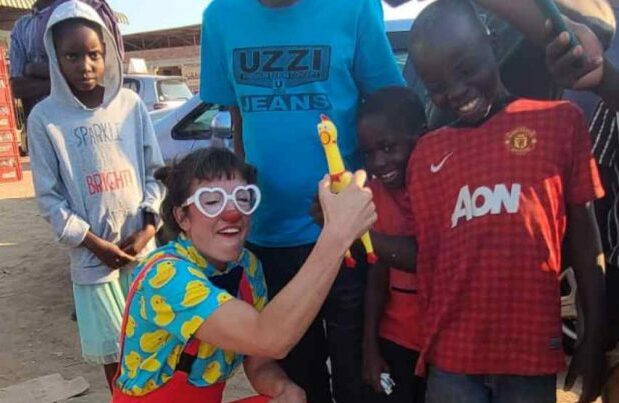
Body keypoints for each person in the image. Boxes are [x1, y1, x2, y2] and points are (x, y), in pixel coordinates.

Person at [199, 0, 404, 401]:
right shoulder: (220, 17)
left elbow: (390, 110)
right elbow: (238, 116)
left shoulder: (355, 8)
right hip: (268, 239)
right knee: (298, 373)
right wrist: (238, 208)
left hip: (348, 237)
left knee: (357, 374)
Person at [406, 1, 607, 402]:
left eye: (465, 69)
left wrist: (594, 334)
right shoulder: (427, 154)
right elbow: (427, 255)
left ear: (493, 43)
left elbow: (585, 240)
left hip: (529, 354)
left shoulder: (559, 123)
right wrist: (350, 230)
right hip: (452, 358)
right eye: (438, 87)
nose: (457, 91)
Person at [112, 147, 377, 402]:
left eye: (242, 198)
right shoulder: (166, 274)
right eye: (212, 202)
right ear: (183, 218)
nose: (232, 213)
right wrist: (336, 234)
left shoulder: (247, 267)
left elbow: (260, 361)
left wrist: (284, 389)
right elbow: (269, 339)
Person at [27, 0, 164, 390]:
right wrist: (95, 244)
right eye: (72, 56)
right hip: (93, 265)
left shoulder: (130, 106)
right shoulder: (46, 119)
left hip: (142, 255)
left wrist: (148, 229)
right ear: (55, 57)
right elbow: (50, 200)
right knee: (116, 356)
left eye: (94, 55)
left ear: (108, 55)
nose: (85, 66)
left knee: (154, 346)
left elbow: (156, 174)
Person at [357, 86, 427, 403]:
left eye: (387, 147)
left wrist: (350, 231)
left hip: (444, 343)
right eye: (369, 153)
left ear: (421, 136)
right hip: (396, 339)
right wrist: (370, 347)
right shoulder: (376, 194)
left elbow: (425, 256)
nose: (378, 162)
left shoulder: (442, 187)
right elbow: (377, 275)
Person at [9, 0, 123, 119]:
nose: (84, 67)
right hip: (44, 127)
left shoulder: (85, 10)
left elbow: (107, 73)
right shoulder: (22, 27)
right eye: (71, 56)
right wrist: (70, 80)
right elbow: (18, 88)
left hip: (91, 121)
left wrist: (33, 70)